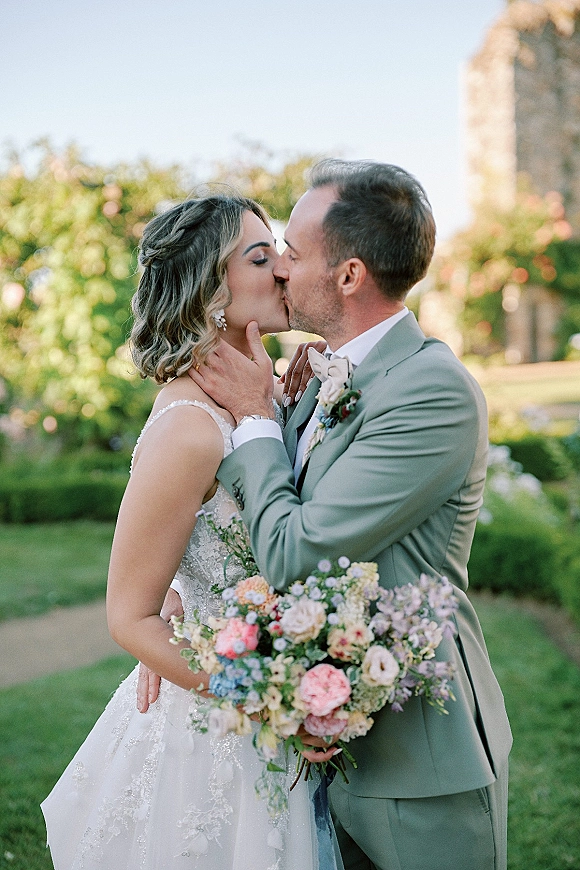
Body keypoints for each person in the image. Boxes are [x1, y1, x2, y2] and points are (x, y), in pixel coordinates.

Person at [189, 159, 513, 870]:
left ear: (349, 276)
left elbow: (298, 550)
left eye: (292, 254)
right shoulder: (322, 373)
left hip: (418, 764)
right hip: (315, 744)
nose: (277, 269)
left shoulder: (431, 390)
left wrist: (254, 421)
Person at [41, 193, 331, 870]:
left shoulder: (263, 400)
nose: (285, 270)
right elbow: (129, 614)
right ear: (207, 292)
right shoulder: (191, 428)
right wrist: (270, 702)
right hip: (222, 732)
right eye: (261, 258)